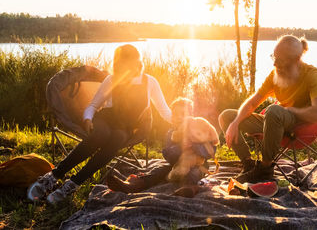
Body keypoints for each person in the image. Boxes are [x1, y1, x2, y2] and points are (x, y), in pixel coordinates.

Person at [27, 44, 172, 204]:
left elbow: (164, 111)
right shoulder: (112, 79)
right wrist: (88, 118)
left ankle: (73, 183)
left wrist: (184, 123)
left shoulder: (149, 82)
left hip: (128, 126)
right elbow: (94, 105)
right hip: (106, 119)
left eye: (129, 65)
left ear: (137, 64)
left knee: (116, 138)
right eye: (121, 66)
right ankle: (53, 176)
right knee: (100, 135)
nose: (126, 70)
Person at [218, 35, 317, 183]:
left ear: (296, 60)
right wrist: (236, 122)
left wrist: (291, 111)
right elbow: (252, 102)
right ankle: (249, 165)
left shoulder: (311, 74)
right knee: (227, 116)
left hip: (297, 123)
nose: (275, 63)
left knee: (273, 110)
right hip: (275, 121)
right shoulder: (275, 74)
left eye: (280, 60)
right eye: (274, 57)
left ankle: (265, 169)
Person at [106, 97, 215, 194]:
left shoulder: (200, 131)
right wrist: (180, 147)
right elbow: (167, 154)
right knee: (159, 169)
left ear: (191, 117)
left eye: (183, 114)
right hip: (176, 166)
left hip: (198, 165)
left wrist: (195, 147)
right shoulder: (171, 133)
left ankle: (189, 188)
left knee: (194, 172)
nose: (179, 117)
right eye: (176, 114)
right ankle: (135, 184)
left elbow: (211, 151)